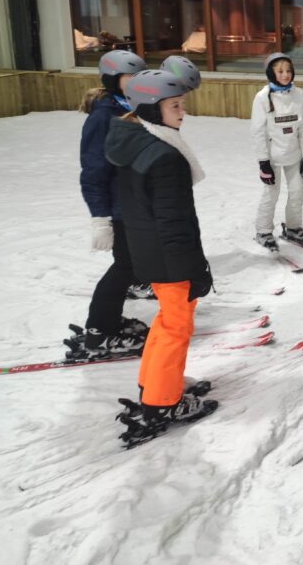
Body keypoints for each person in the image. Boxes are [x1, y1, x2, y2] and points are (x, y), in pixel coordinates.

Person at [106, 69, 216, 444]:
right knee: (176, 328)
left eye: (182, 104)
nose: (183, 112)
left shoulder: (136, 140)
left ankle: (153, 384)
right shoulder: (165, 157)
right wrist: (195, 269)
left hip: (149, 250)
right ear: (152, 109)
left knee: (166, 323)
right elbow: (174, 222)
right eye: (175, 106)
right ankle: (162, 402)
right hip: (169, 258)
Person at [68, 50, 151, 360]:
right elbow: (93, 171)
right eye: (130, 77)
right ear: (113, 80)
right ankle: (100, 331)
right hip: (118, 208)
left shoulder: (131, 108)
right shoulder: (103, 116)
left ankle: (109, 321)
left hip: (134, 203)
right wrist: (100, 217)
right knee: (126, 266)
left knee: (132, 266)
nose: (136, 82)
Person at [252, 53, 303, 251]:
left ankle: (293, 227)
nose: (285, 75)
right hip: (272, 157)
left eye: (288, 70)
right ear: (271, 73)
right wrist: (263, 162)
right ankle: (263, 231)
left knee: (297, 191)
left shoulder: (299, 95)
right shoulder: (262, 98)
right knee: (271, 193)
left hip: (294, 154)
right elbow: (258, 132)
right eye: (280, 71)